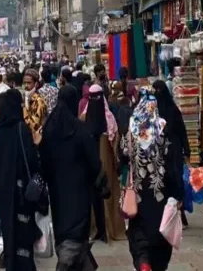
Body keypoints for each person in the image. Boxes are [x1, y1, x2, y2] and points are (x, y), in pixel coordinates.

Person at [40, 85, 104, 269]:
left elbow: (43, 159)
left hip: (58, 190)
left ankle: (75, 261)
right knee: (77, 230)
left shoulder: (50, 127)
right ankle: (66, 264)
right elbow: (93, 159)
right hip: (79, 189)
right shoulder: (79, 129)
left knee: (64, 229)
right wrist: (101, 183)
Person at [120, 89, 184, 271]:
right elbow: (172, 166)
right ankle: (155, 265)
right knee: (160, 235)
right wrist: (178, 193)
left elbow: (122, 157)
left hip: (139, 195)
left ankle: (143, 262)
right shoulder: (162, 130)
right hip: (161, 194)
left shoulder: (131, 132)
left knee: (139, 232)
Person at [0, 89, 40, 271]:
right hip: (22, 193)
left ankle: (10, 262)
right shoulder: (21, 129)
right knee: (23, 231)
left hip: (5, 192)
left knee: (9, 231)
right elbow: (31, 159)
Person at [152, 79, 190, 227]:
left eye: (159, 90)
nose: (156, 93)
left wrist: (187, 151)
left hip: (174, 150)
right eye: (154, 90)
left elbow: (182, 131)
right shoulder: (152, 110)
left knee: (176, 181)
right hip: (158, 151)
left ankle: (180, 213)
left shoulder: (174, 110)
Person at [80, 84, 115, 243]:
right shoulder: (109, 117)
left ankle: (96, 228)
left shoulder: (84, 116)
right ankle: (107, 227)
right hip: (105, 158)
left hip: (90, 159)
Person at [22, 69, 47, 144]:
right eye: (24, 83)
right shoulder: (26, 98)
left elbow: (33, 126)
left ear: (36, 84)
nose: (26, 86)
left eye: (29, 83)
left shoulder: (39, 101)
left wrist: (23, 107)